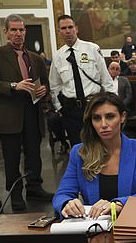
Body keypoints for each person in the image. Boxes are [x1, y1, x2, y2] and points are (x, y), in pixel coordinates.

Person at [0, 14, 52, 210]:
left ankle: (35, 188)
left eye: (21, 30)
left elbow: (45, 83)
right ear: (6, 32)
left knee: (34, 155)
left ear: (25, 32)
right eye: (14, 30)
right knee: (11, 158)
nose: (18, 34)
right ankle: (15, 194)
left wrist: (44, 90)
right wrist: (13, 85)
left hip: (33, 112)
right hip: (9, 114)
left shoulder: (36, 58)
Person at [52, 92, 136, 219]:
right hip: (93, 228)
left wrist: (118, 204)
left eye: (110, 117)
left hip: (131, 224)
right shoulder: (79, 153)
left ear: (122, 117)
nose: (103, 124)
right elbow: (61, 195)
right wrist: (67, 204)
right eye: (96, 118)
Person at [49, 14, 115, 146]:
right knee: (79, 148)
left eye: (70, 27)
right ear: (59, 32)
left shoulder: (92, 49)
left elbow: (106, 79)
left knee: (101, 145)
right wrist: (59, 108)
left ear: (76, 29)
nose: (67, 31)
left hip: (94, 105)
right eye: (63, 28)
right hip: (71, 110)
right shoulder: (58, 56)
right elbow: (55, 85)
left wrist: (113, 105)